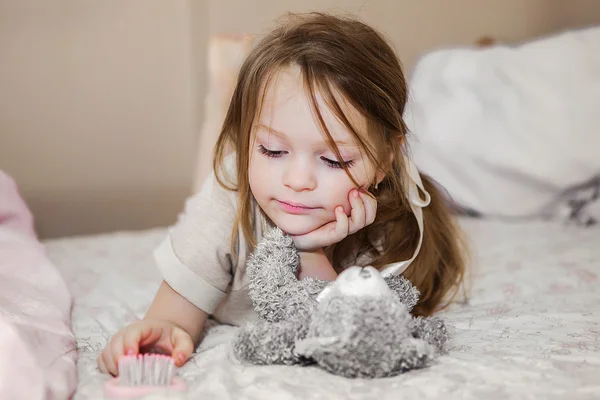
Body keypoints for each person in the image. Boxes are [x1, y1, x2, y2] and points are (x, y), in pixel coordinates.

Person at [98, 12, 468, 376]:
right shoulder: (229, 192)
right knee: (217, 171)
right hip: (239, 183)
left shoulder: (387, 226)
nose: (297, 180)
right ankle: (225, 103)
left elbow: (332, 329)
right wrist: (162, 332)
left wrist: (309, 249)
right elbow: (173, 314)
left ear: (385, 159)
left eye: (333, 159)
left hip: (265, 172)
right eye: (274, 151)